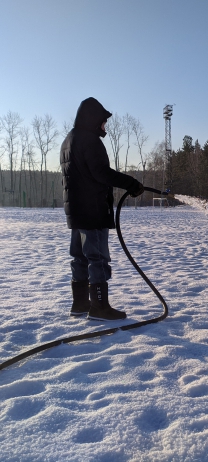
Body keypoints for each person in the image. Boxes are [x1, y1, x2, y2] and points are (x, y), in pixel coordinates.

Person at [60, 97, 144, 321]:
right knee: (97, 258)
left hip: (76, 212)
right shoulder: (90, 140)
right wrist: (131, 184)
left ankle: (80, 304)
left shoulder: (69, 140)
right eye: (103, 121)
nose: (104, 126)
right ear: (93, 119)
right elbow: (101, 173)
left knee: (80, 258)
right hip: (93, 210)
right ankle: (99, 307)